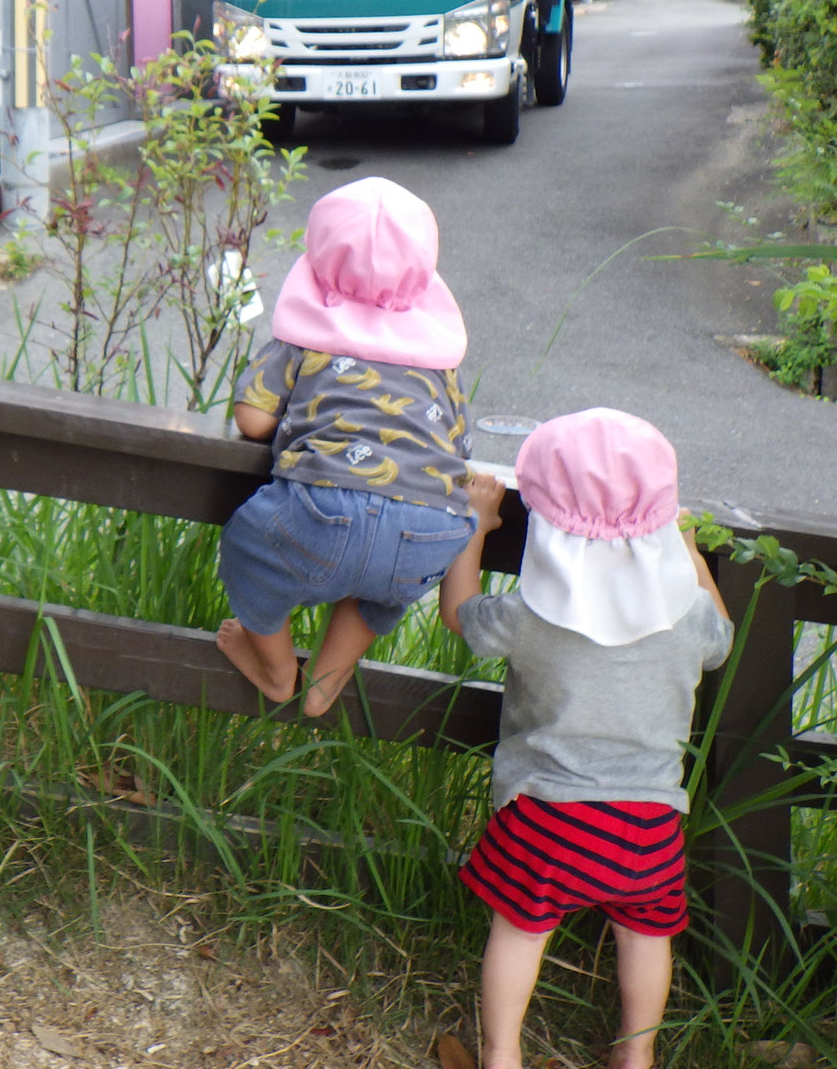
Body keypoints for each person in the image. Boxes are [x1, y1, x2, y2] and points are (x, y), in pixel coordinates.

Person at [439, 408, 734, 1069]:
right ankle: (637, 1056)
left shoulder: (529, 615)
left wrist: (476, 527)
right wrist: (687, 553)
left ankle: (501, 1053)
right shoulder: (684, 614)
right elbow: (721, 637)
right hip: (650, 819)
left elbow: (459, 617)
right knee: (644, 937)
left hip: (545, 813)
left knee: (520, 933)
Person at [216, 177, 504, 717]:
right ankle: (324, 683)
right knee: (384, 589)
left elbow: (253, 422)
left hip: (319, 513)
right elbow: (456, 444)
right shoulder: (437, 362)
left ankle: (279, 672)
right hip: (429, 529)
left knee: (246, 553)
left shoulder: (303, 337)